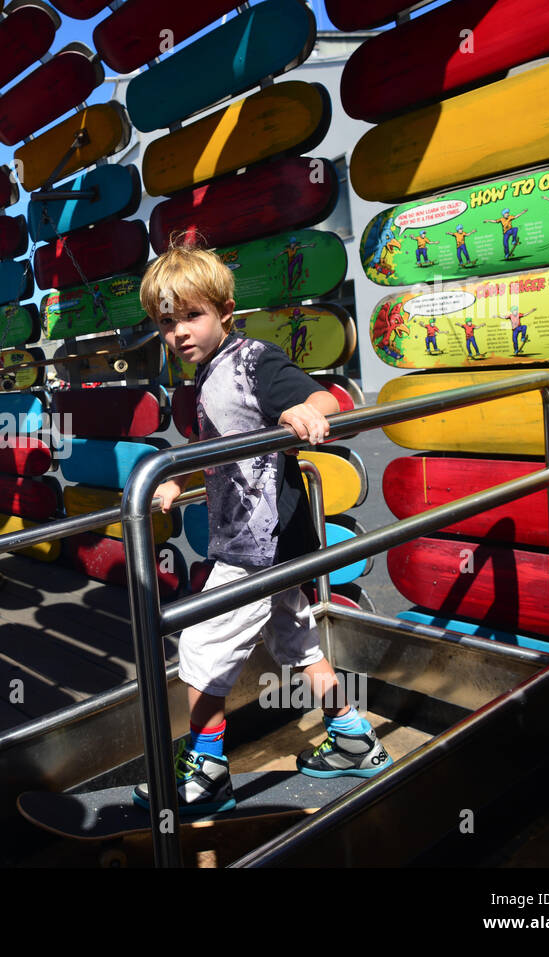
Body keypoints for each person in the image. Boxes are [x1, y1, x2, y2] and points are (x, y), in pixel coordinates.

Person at [134, 242, 391, 815]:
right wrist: (182, 482)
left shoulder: (253, 360)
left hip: (259, 544)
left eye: (191, 315)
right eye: (166, 322)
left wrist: (304, 411)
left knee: (200, 645)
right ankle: (353, 736)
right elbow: (227, 452)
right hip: (263, 539)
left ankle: (206, 774)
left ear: (226, 312)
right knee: (296, 644)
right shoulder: (206, 377)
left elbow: (321, 397)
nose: (179, 333)